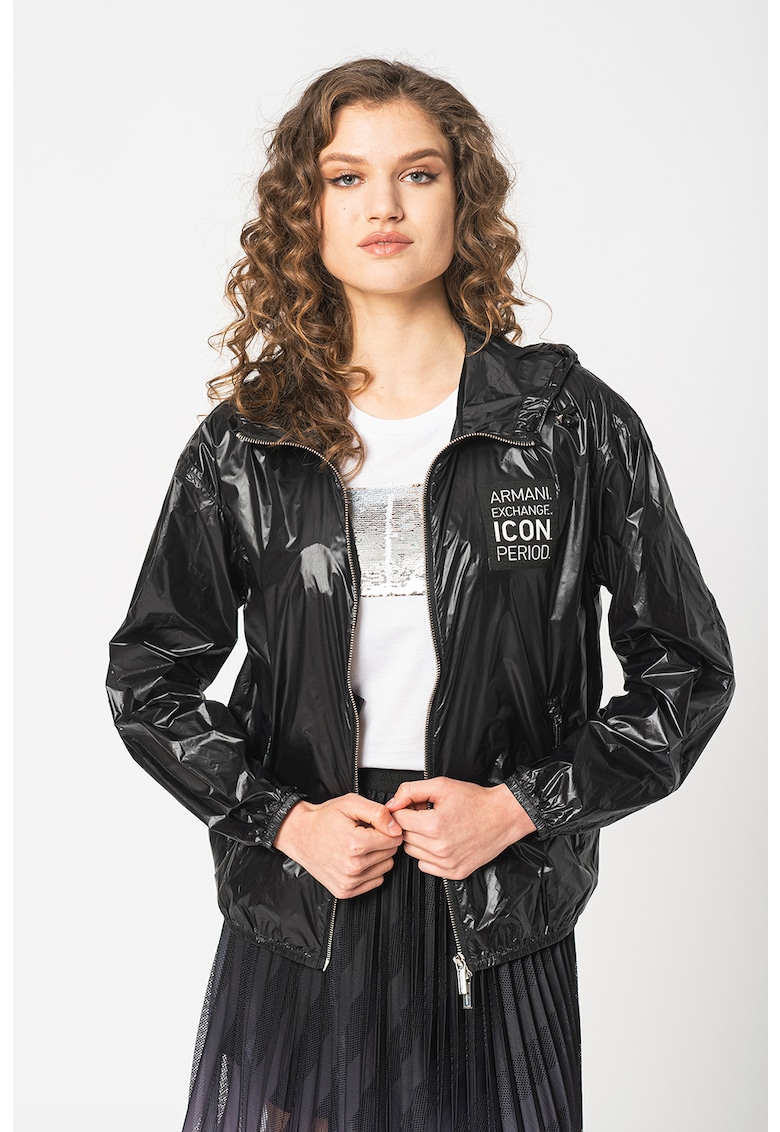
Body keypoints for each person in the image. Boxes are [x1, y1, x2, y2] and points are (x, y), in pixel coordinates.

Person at [106, 58, 735, 1132]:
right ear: (307, 212)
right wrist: (284, 822)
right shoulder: (248, 444)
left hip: (495, 893)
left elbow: (687, 671)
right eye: (347, 177)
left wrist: (521, 807)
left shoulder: (567, 424)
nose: (385, 205)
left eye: (419, 173)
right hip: (313, 893)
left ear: (463, 198)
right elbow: (148, 679)